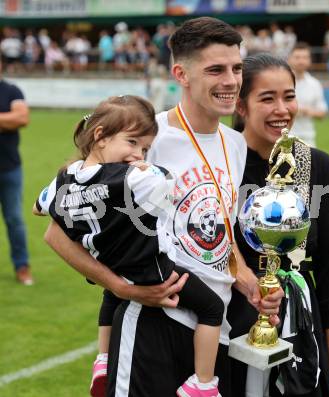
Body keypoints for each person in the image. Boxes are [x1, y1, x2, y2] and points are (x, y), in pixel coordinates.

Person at [42, 17, 283, 397]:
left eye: (236, 69)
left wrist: (249, 281)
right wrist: (122, 288)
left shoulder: (234, 144)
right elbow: (57, 233)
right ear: (181, 74)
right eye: (215, 70)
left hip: (210, 328)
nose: (231, 81)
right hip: (154, 319)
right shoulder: (144, 138)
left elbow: (219, 228)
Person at [35, 95, 231, 397]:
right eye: (132, 143)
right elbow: (165, 185)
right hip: (153, 269)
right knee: (212, 308)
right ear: (100, 136)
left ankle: (102, 359)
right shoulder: (130, 178)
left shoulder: (64, 178)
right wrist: (147, 169)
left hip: (110, 264)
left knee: (110, 295)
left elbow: (40, 206)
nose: (138, 154)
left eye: (144, 149)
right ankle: (203, 384)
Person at [228, 53, 329, 397]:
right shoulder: (221, 163)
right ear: (241, 106)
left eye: (289, 96)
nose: (282, 109)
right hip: (227, 323)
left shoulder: (317, 166)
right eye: (267, 98)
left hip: (300, 322)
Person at [0, 58, 32, 285]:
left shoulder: (11, 90)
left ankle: (22, 267)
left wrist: (11, 120)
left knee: (14, 219)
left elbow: (21, 117)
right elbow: (12, 119)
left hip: (9, 167)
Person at [287, 42, 327, 147]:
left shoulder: (315, 84)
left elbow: (322, 113)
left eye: (305, 57)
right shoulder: (281, 82)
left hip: (308, 139)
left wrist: (305, 111)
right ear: (289, 59)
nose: (301, 61)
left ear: (309, 60)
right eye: (297, 57)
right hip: (284, 138)